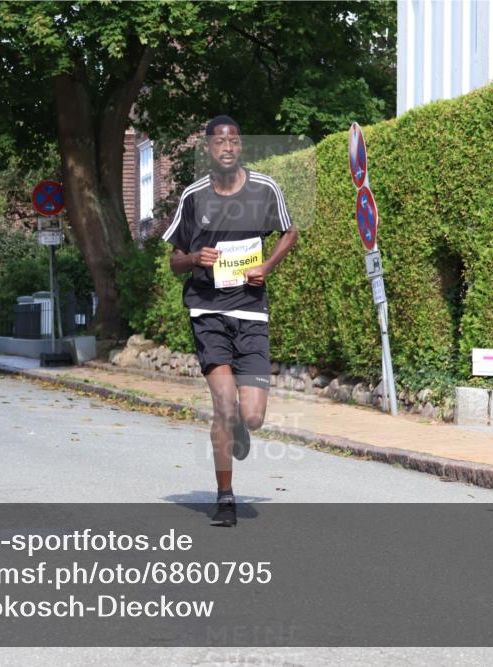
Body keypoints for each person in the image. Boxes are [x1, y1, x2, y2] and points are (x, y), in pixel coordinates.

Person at [163, 115, 299, 527]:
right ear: (208, 148)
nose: (227, 147)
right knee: (223, 404)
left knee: (252, 416)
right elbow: (173, 261)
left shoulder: (265, 188)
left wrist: (267, 267)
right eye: (219, 141)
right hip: (207, 309)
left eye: (234, 141)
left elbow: (289, 232)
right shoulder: (194, 196)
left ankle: (241, 423)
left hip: (251, 309)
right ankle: (225, 498)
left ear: (240, 147)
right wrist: (193, 258)